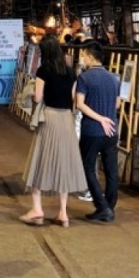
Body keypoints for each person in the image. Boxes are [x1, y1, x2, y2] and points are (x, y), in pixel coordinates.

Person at [19, 38, 88, 228]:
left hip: (49, 118)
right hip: (66, 119)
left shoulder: (43, 70)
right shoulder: (70, 71)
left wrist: (30, 92)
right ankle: (63, 213)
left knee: (40, 161)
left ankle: (37, 210)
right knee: (63, 163)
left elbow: (38, 97)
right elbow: (73, 99)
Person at [76, 41, 121, 223]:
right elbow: (117, 104)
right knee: (111, 171)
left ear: (90, 56)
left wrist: (99, 118)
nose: (82, 59)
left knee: (87, 168)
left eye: (83, 55)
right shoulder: (114, 78)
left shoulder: (84, 78)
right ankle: (109, 207)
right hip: (111, 131)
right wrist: (106, 116)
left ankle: (102, 207)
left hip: (92, 131)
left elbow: (80, 104)